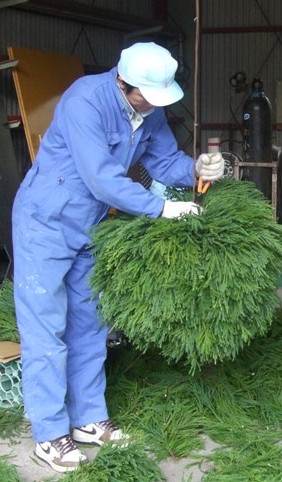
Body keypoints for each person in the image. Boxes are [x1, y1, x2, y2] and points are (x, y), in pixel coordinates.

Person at [11, 42, 224, 473]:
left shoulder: (149, 107)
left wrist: (196, 168)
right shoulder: (85, 101)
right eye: (147, 96)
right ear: (123, 82)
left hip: (89, 224)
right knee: (46, 328)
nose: (154, 104)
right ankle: (49, 435)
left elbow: (164, 160)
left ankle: (88, 419)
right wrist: (162, 208)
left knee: (90, 323)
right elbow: (102, 178)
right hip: (45, 221)